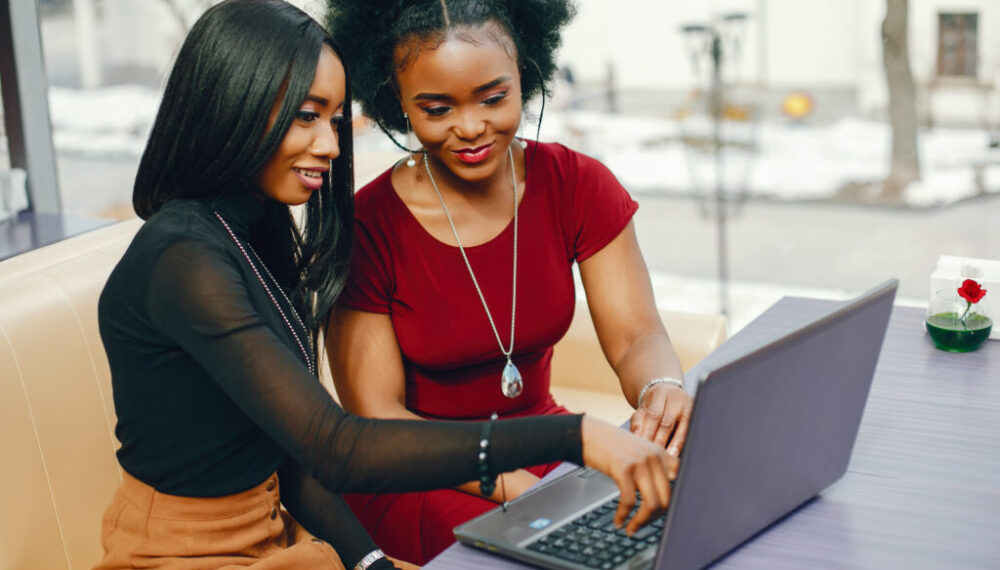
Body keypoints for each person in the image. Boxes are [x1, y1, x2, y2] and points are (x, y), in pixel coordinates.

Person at [93, 1, 677, 569]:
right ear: (232, 104)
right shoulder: (184, 258)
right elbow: (338, 445)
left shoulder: (253, 227)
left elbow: (288, 454)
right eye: (306, 115)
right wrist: (574, 436)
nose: (329, 144)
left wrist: (370, 561)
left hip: (273, 528)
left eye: (334, 119)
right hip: (185, 550)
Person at [325, 0, 694, 563]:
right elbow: (379, 422)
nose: (471, 127)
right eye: (436, 108)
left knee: (680, 523)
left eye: (494, 98)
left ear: (525, 75)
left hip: (549, 447)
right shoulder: (368, 228)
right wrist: (531, 492)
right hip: (425, 475)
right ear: (396, 102)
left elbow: (637, 336)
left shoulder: (577, 184)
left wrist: (659, 389)